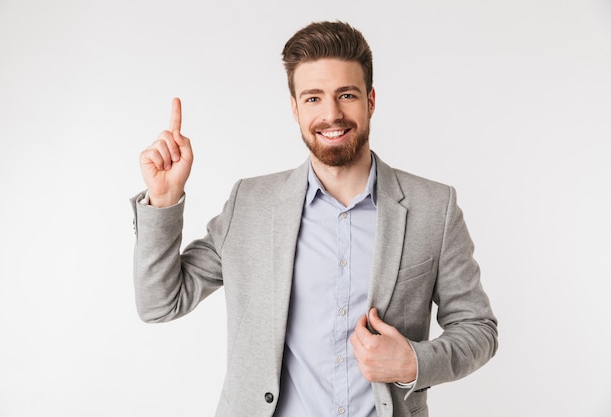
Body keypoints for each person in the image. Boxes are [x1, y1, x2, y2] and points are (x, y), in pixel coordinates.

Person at [131, 21, 497, 417]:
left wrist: (413, 362)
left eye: (346, 94)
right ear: (294, 108)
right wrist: (164, 200)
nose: (331, 114)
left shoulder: (433, 207)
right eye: (313, 99)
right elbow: (160, 303)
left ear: (370, 100)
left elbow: (478, 328)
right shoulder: (250, 203)